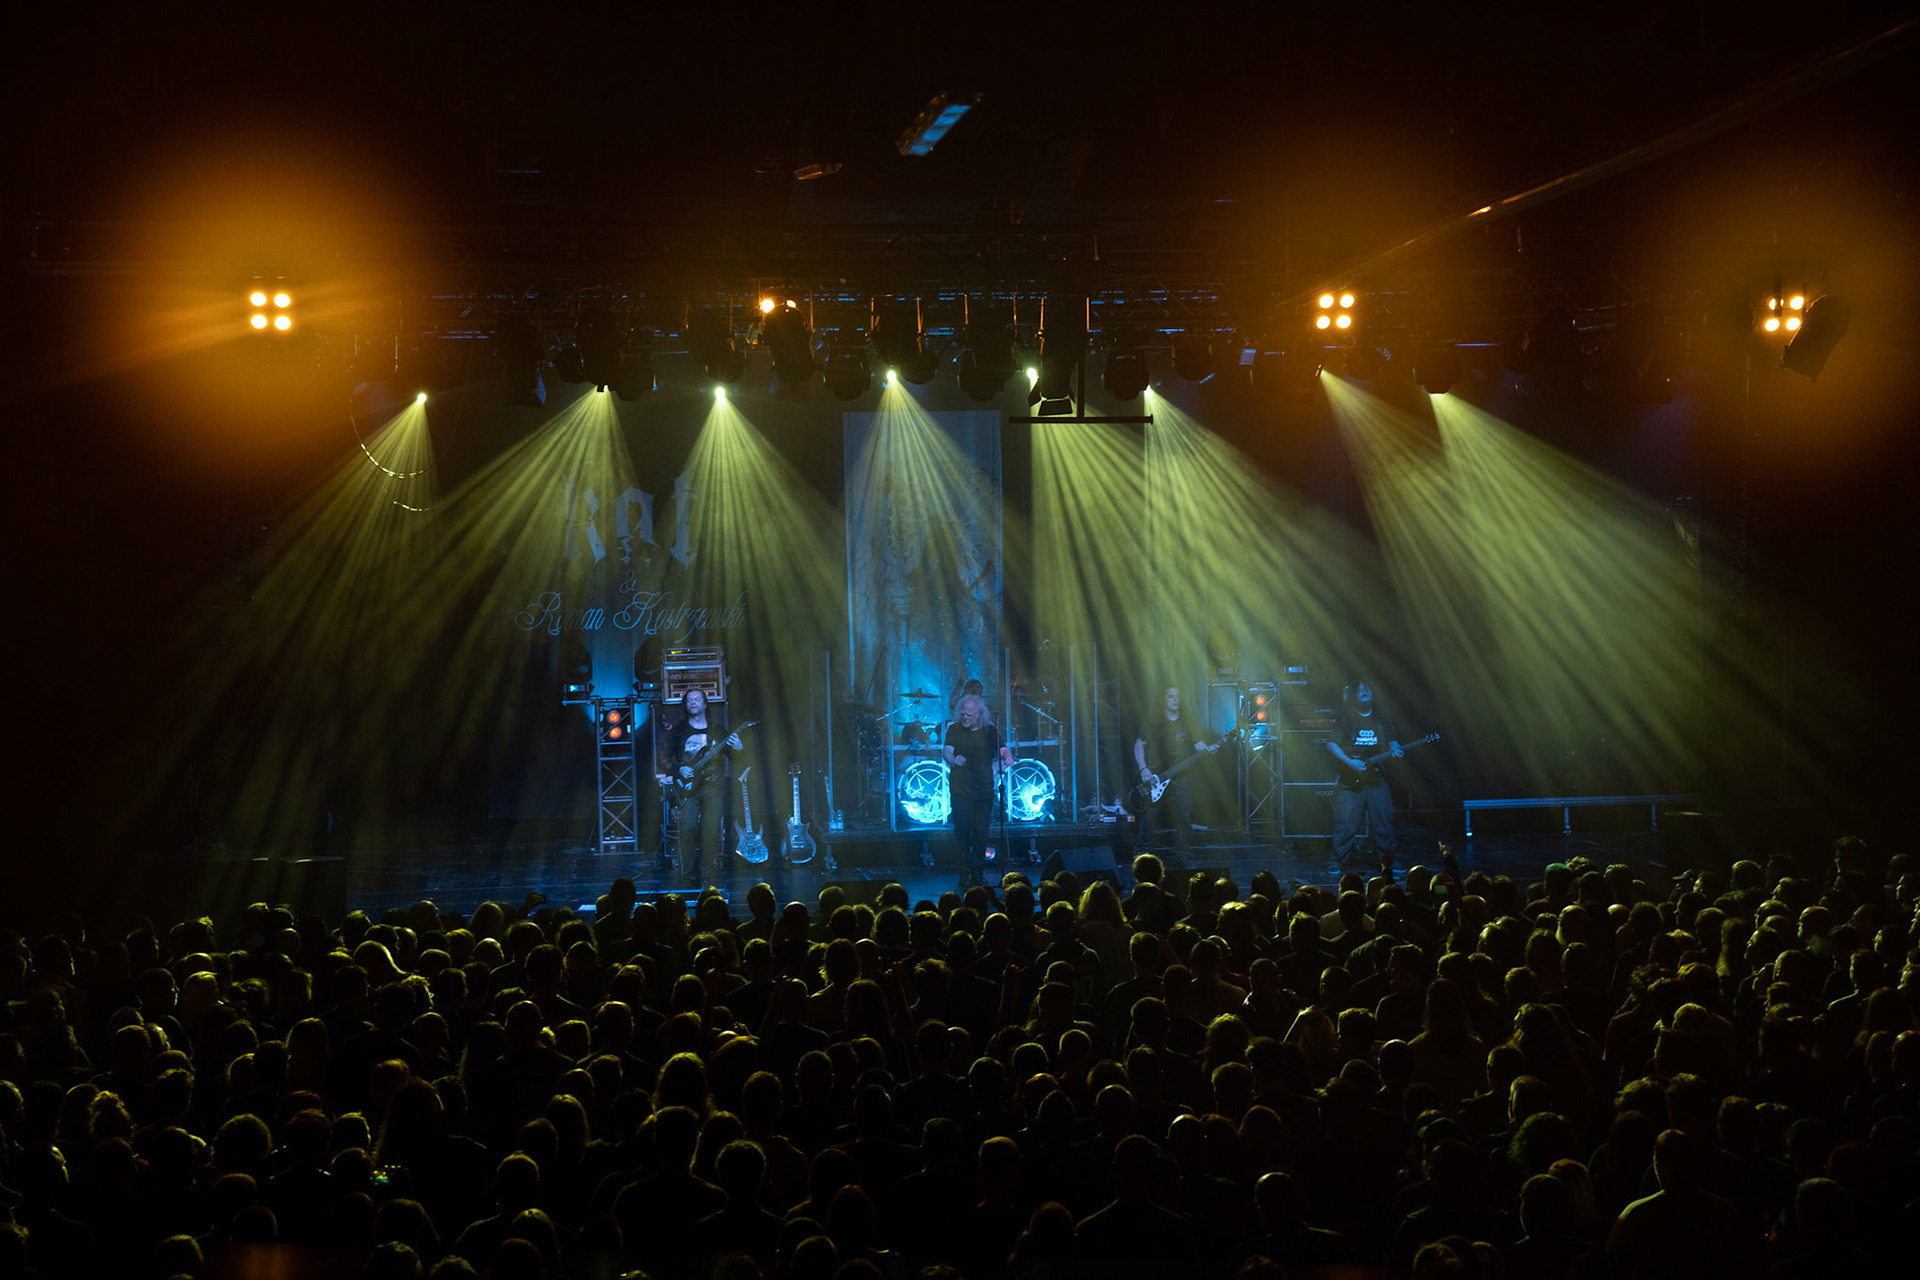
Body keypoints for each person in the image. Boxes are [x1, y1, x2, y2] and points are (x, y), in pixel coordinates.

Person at [658, 688, 741, 888]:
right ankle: (687, 876)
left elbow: (735, 757)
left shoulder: (718, 731)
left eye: (697, 699)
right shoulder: (678, 731)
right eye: (689, 700)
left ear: (705, 704)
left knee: (711, 832)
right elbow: (663, 759)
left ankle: (707, 876)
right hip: (687, 788)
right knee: (688, 828)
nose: (693, 702)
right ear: (686, 706)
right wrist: (679, 770)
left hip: (713, 788)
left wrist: (739, 747)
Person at [1323, 678, 1401, 877]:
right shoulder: (1346, 719)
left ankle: (1388, 862)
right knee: (1345, 822)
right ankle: (1337, 861)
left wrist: (1396, 749)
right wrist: (1351, 763)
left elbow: (1393, 742)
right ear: (1354, 695)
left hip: (1377, 779)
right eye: (1360, 689)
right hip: (1351, 781)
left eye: (1368, 688)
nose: (1365, 691)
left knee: (1384, 821)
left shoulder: (1382, 719)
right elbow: (1331, 744)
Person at [1133, 685, 1217, 868]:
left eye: (1177, 696)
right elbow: (1139, 744)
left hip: (1182, 776)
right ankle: (1141, 857)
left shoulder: (1186, 721)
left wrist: (1208, 749)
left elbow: (1198, 744)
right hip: (1158, 775)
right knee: (1149, 818)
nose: (1175, 699)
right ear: (1164, 699)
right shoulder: (1155, 720)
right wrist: (1144, 769)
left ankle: (1182, 857)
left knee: (1184, 818)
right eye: (1171, 696)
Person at [944, 693, 1013, 888]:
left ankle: (977, 873)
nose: (965, 717)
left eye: (969, 715)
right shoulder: (954, 730)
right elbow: (947, 751)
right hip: (960, 789)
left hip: (983, 790)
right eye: (963, 713)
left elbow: (1003, 749)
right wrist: (954, 760)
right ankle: (964, 872)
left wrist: (1008, 756)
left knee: (981, 833)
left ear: (979, 715)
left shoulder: (989, 730)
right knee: (963, 831)